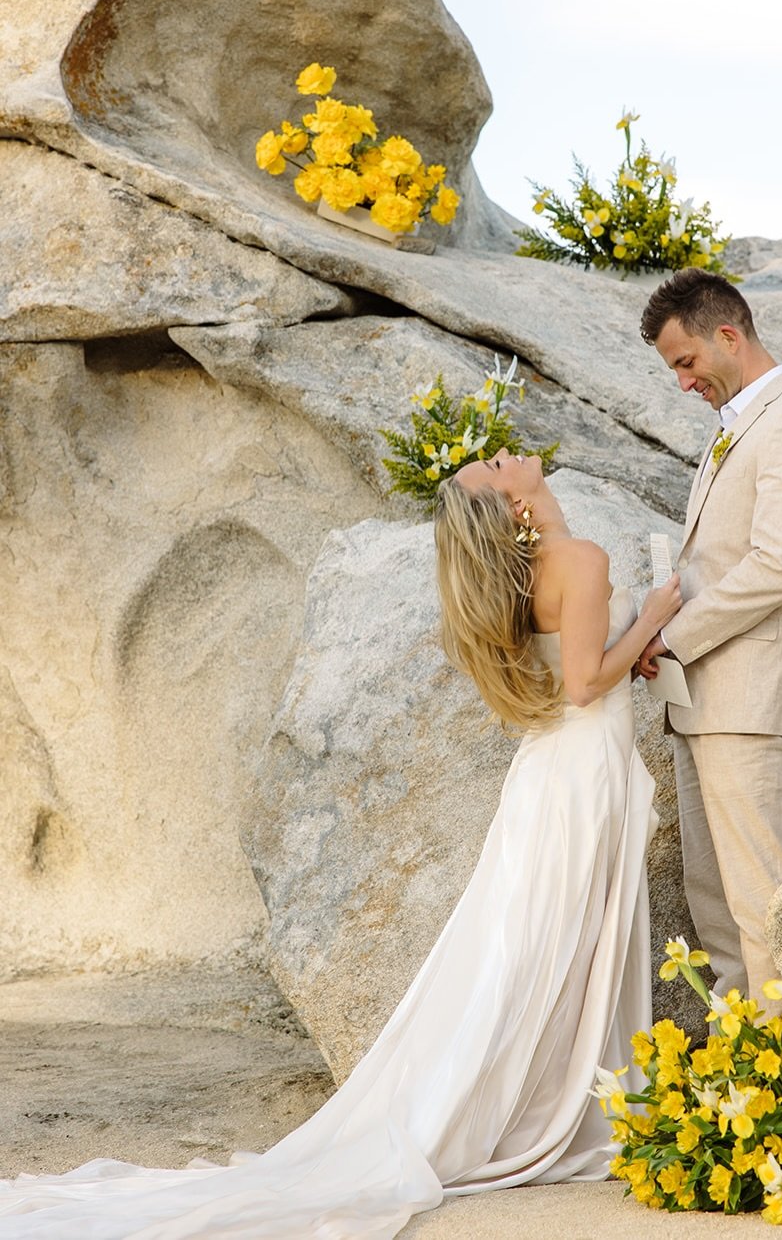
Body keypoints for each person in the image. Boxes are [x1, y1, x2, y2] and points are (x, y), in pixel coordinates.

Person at [0, 450, 680, 1240]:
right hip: (580, 774)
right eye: (491, 467)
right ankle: (539, 1111)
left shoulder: (540, 569)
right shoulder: (581, 560)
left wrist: (628, 644)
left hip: (553, 773)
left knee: (536, 947)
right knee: (554, 945)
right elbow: (585, 684)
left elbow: (582, 665)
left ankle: (536, 1101)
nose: (501, 454)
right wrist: (651, 617)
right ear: (510, 507)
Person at [637, 268, 782, 1006]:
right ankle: (741, 1060)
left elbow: (778, 565)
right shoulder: (737, 426)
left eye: (687, 362)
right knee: (717, 909)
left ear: (729, 335)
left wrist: (672, 635)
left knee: (764, 909)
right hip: (702, 701)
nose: (683, 382)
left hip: (751, 702)